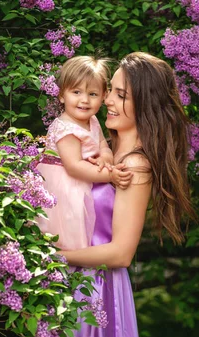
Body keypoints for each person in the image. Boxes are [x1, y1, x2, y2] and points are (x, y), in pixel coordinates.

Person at [30, 52, 194, 337]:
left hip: (96, 290)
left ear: (144, 105)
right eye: (111, 91)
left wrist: (53, 257)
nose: (107, 100)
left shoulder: (136, 165)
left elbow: (120, 253)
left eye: (121, 95)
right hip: (68, 280)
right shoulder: (102, 146)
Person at [36, 56, 132, 253]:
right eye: (76, 92)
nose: (84, 100)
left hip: (84, 181)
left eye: (93, 94)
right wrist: (110, 175)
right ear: (62, 95)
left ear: (104, 95)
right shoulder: (65, 128)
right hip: (65, 188)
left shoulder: (92, 120)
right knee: (69, 232)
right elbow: (74, 166)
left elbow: (104, 146)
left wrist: (105, 158)